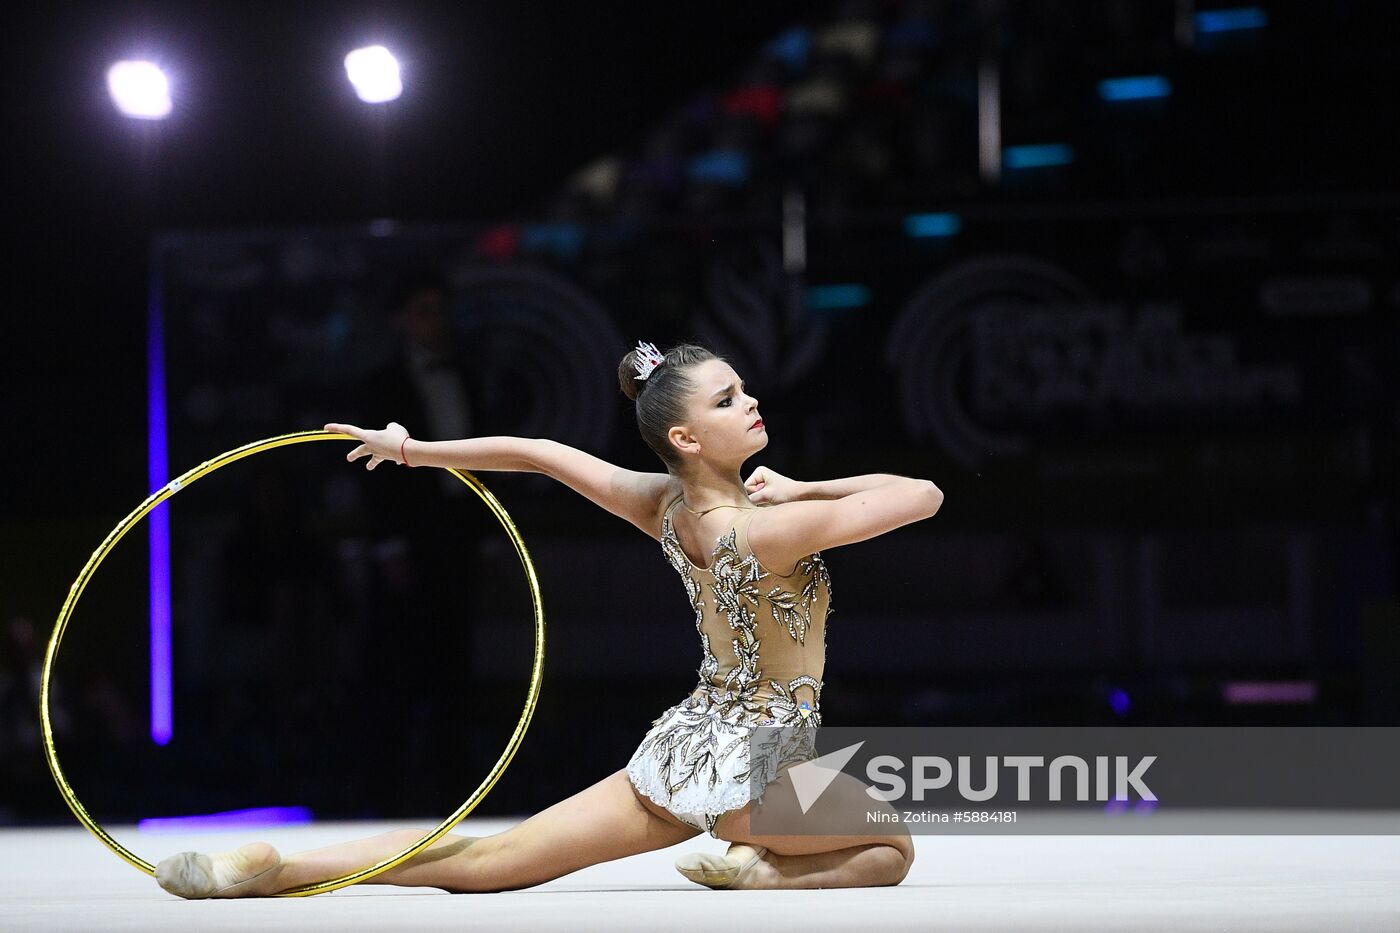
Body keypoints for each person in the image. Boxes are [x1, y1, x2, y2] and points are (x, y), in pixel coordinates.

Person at [154, 341, 944, 898]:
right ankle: (759, 869)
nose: (752, 401)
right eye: (728, 398)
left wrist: (412, 451)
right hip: (763, 767)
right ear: (685, 435)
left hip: (684, 749)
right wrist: (806, 487)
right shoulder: (769, 529)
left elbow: (536, 451)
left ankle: (270, 872)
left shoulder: (665, 507)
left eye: (744, 390)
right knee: (890, 846)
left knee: (489, 858)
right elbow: (922, 493)